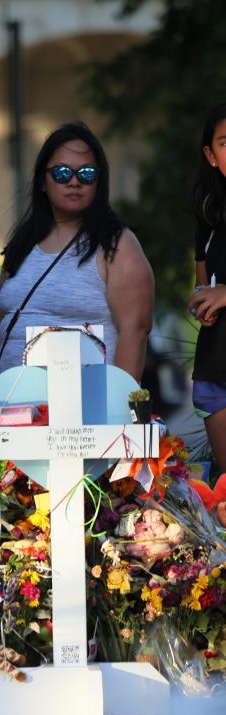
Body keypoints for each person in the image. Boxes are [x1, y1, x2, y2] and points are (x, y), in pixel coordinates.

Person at [0, 123, 153, 381]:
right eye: (61, 173)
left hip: (87, 412)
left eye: (87, 173)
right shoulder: (21, 243)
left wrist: (122, 407)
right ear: (42, 182)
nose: (74, 182)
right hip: (15, 409)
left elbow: (135, 329)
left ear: (98, 182)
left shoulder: (118, 244)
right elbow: (5, 322)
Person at [189, 103, 226, 474]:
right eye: (225, 142)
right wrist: (202, 301)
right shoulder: (209, 212)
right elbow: (203, 282)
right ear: (211, 155)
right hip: (216, 369)